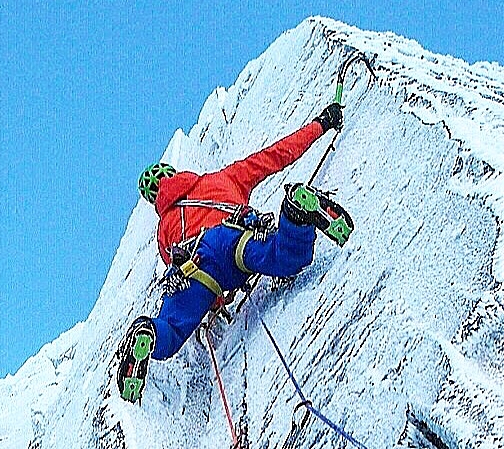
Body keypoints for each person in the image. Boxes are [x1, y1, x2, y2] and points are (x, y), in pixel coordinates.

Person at [116, 103, 354, 403]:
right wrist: (321, 123)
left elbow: (175, 268)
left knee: (171, 331)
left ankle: (147, 334)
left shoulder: (164, 230)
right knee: (285, 256)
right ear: (175, 174)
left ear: (154, 201)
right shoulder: (222, 178)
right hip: (235, 238)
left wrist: (214, 302)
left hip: (194, 267)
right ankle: (295, 215)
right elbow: (275, 155)